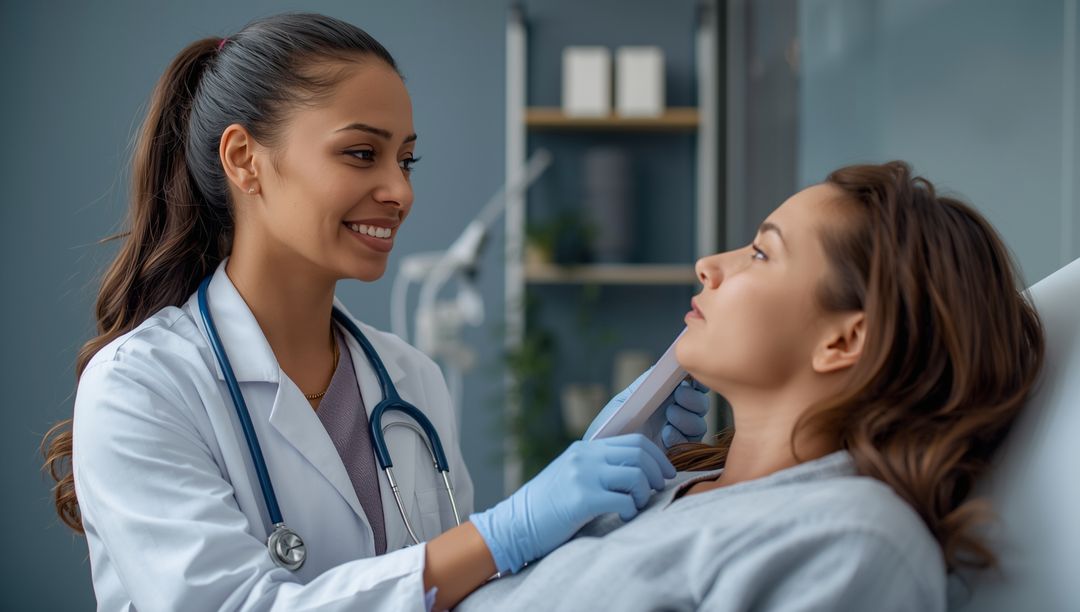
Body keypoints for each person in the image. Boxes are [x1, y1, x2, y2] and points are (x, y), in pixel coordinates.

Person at [39, 12, 710, 612]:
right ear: (246, 160)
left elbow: (467, 593)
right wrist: (503, 530)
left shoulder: (409, 379)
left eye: (406, 159)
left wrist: (589, 501)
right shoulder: (141, 385)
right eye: (361, 154)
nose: (398, 191)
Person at [454, 161, 1046, 611]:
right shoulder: (671, 485)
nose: (710, 264)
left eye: (762, 253)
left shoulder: (852, 541)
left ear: (844, 340)